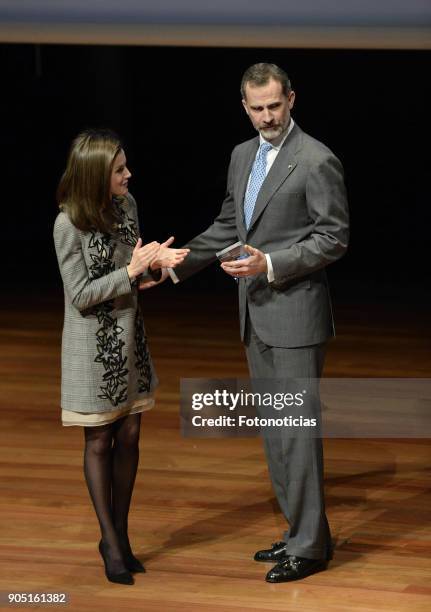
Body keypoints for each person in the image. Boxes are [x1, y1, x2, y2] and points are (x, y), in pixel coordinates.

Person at [163, 63, 349, 582]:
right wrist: (179, 261)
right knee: (274, 432)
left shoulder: (316, 160)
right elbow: (230, 224)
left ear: (291, 99)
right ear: (244, 107)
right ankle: (301, 532)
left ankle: (309, 548)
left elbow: (333, 237)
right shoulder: (241, 155)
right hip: (255, 315)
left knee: (296, 433)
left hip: (294, 314)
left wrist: (269, 264)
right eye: (257, 108)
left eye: (275, 105)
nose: (267, 116)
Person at [53, 129, 189, 585]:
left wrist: (151, 267)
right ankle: (110, 542)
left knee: (130, 435)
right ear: (96, 175)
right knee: (100, 441)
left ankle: (122, 536)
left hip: (130, 337)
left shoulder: (127, 206)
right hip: (93, 347)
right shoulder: (67, 224)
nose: (129, 175)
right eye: (119, 170)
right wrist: (130, 271)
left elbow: (128, 267)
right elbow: (80, 295)